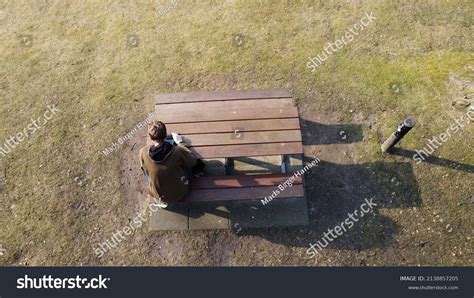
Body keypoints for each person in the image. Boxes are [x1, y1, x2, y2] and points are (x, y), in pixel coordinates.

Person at [139, 120, 197, 208]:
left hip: (159, 195)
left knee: (146, 170)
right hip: (180, 193)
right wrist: (180, 143)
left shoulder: (143, 152)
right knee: (187, 164)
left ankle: (158, 198)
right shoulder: (177, 151)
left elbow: (143, 169)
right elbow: (193, 162)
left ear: (150, 137)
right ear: (165, 134)